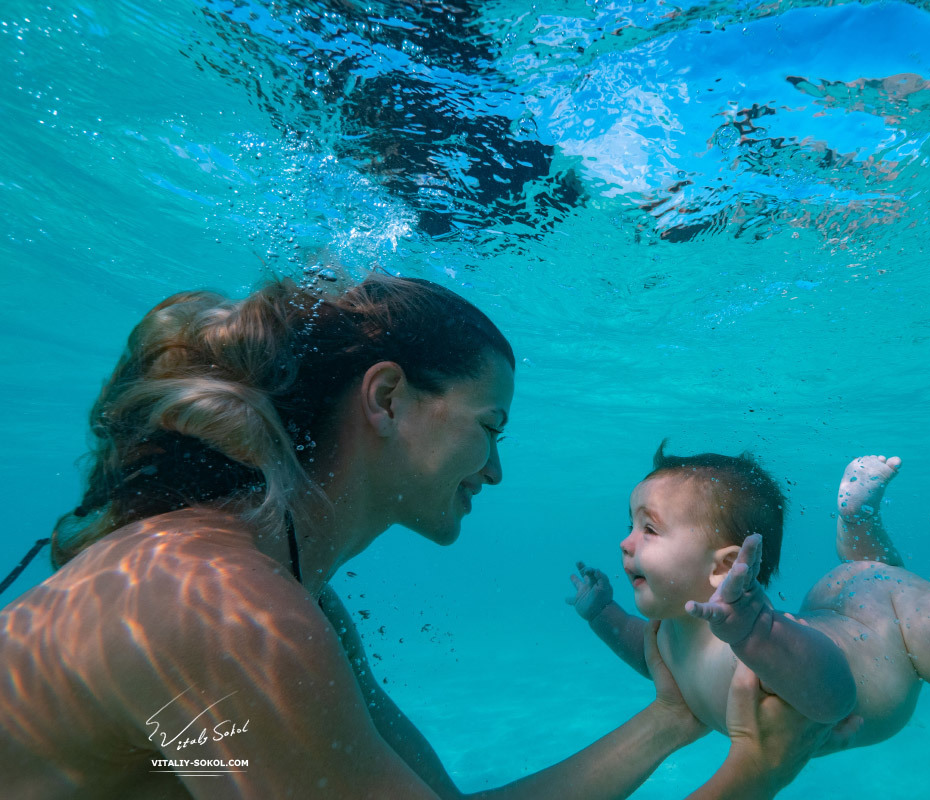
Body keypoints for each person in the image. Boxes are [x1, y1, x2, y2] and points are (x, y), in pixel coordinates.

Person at [0, 274, 838, 799]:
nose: (497, 470)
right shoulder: (232, 609)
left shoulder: (294, 601)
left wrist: (667, 721)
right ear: (388, 398)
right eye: (490, 426)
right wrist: (749, 779)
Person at [568, 448, 930, 768]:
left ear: (723, 568)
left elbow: (834, 697)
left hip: (890, 625)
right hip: (840, 605)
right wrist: (602, 615)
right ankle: (857, 519)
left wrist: (757, 631)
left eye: (648, 529)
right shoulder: (671, 631)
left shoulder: (760, 641)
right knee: (870, 570)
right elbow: (649, 656)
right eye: (631, 525)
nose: (625, 544)